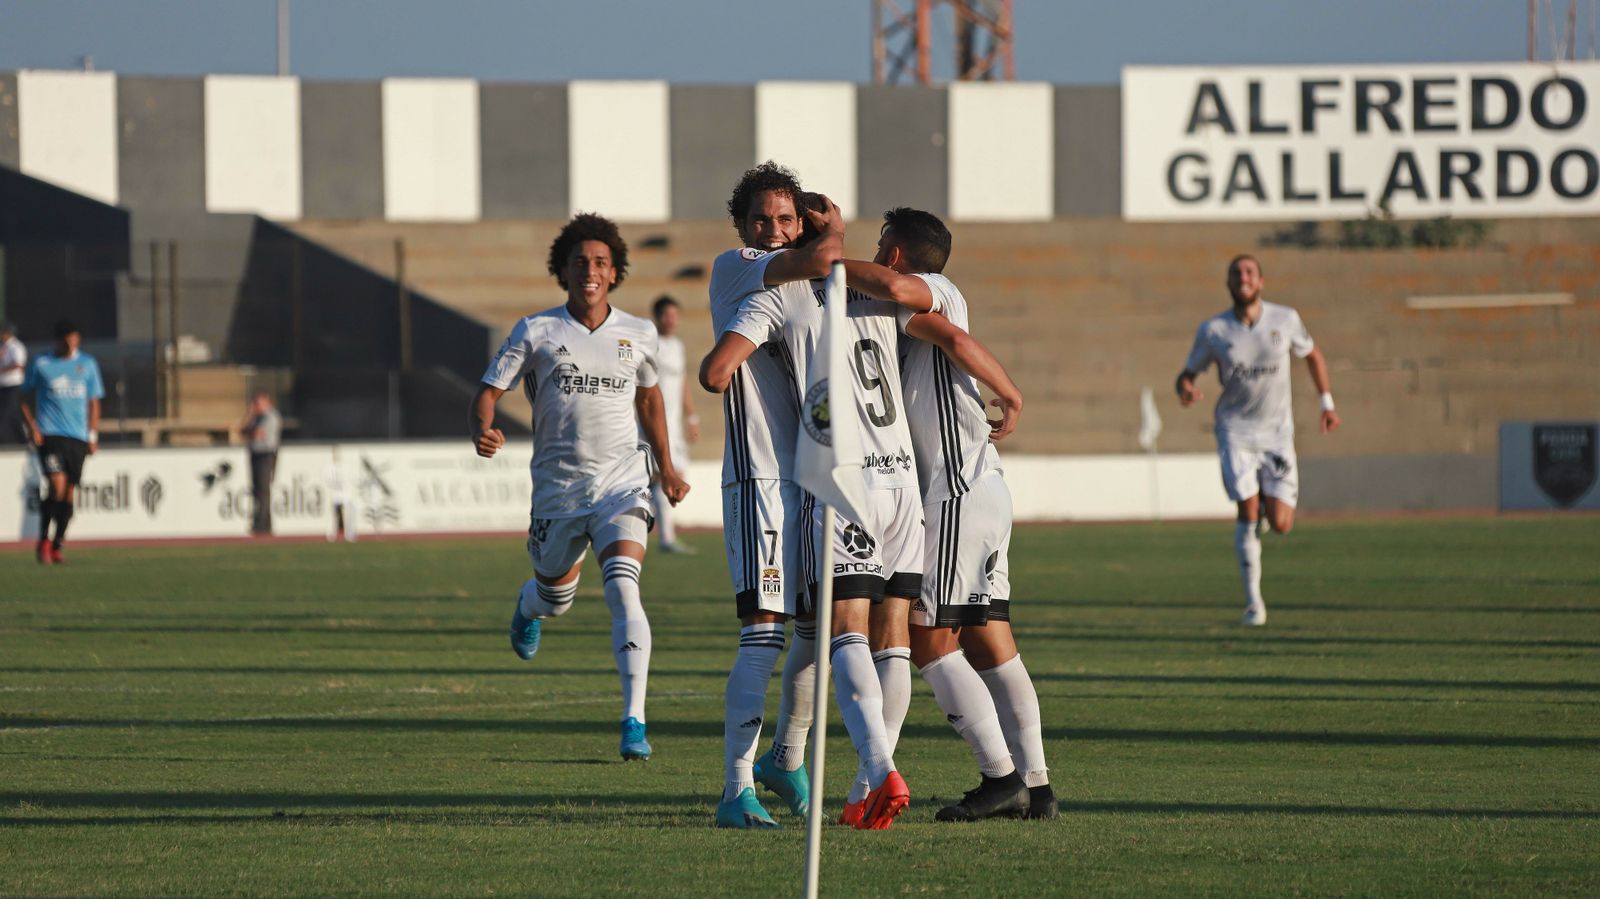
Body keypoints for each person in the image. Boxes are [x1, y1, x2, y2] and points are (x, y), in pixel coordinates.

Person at [845, 207, 1056, 820]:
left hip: (956, 492)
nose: (877, 255)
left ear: (898, 252)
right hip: (983, 489)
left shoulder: (932, 294)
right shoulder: (915, 318)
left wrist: (1011, 393)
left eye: (882, 245)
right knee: (993, 644)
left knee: (927, 638)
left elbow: (951, 334)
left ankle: (1000, 777)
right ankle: (1037, 787)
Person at [471, 213, 689, 761]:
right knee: (555, 598)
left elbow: (650, 400)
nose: (589, 271)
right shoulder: (535, 330)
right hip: (557, 492)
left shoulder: (638, 333)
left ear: (614, 273)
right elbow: (488, 391)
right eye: (579, 263)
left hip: (622, 485)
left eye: (600, 263)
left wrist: (665, 467)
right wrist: (484, 428)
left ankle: (634, 720)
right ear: (562, 272)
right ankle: (528, 607)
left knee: (623, 587)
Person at [699, 163, 845, 829]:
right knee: (765, 635)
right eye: (764, 218)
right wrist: (827, 228)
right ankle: (734, 789)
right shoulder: (739, 266)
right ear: (744, 225)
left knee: (819, 630)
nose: (774, 229)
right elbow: (817, 256)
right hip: (758, 477)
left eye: (786, 218)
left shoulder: (800, 286)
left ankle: (786, 756)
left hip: (810, 479)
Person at [1176, 254, 1340, 627]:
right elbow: (1186, 375)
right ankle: (1254, 604)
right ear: (1229, 283)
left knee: (1281, 523)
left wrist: (1326, 403)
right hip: (1235, 431)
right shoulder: (1214, 330)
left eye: (1250, 272)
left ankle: (1266, 508)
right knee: (1247, 512)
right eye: (1236, 272)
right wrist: (1186, 389)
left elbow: (1313, 355)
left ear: (1261, 282)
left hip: (1277, 433)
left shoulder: (1286, 319)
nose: (1243, 277)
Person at [19, 320, 103, 565]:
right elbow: (23, 396)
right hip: (50, 435)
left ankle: (58, 543)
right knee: (56, 486)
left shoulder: (87, 365)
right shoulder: (42, 363)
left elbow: (94, 402)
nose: (71, 344)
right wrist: (32, 427)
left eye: (75, 339)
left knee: (68, 494)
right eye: (66, 339)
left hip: (77, 437)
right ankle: (43, 540)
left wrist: (93, 435)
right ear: (58, 340)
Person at [647, 296, 699, 554]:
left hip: (675, 425)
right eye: (667, 315)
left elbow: (682, 382)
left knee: (675, 477)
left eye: (675, 315)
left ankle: (665, 534)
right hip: (653, 422)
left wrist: (691, 416)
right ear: (657, 316)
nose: (672, 320)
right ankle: (666, 537)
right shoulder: (649, 344)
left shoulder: (677, 346)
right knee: (662, 476)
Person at [240, 393, 282, 536]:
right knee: (257, 490)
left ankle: (262, 525)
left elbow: (257, 434)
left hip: (266, 455)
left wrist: (250, 429)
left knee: (263, 490)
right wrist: (250, 415)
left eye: (258, 403)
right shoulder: (256, 417)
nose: (256, 406)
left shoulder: (270, 417)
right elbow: (243, 430)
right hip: (256, 454)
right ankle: (262, 523)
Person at [0, 322, 27, 444]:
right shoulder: (2, 346)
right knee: (15, 415)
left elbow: (19, 364)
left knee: (5, 412)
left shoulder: (16, 347)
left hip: (13, 385)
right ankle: (22, 440)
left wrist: (3, 369)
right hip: (3, 385)